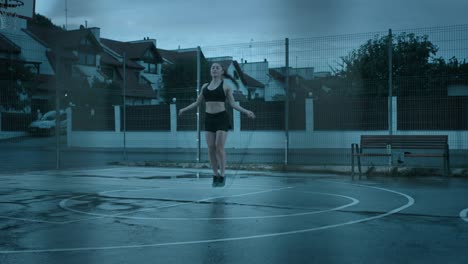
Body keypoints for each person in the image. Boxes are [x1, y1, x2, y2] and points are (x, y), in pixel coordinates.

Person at [179, 62, 256, 186]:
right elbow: (196, 103)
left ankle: (223, 174)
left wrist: (247, 111)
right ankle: (215, 174)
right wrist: (183, 109)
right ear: (211, 71)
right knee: (210, 148)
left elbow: (233, 104)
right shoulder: (205, 86)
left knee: (219, 147)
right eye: (212, 68)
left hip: (222, 118)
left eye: (217, 68)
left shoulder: (226, 87)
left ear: (221, 72)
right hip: (209, 119)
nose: (214, 69)